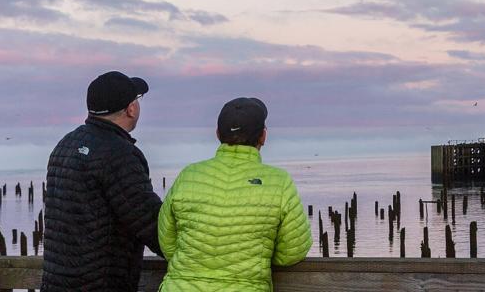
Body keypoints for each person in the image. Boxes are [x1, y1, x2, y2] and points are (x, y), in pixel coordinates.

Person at [157, 97, 312, 291]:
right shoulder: (279, 182)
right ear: (263, 136)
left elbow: (167, 242)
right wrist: (257, 257)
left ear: (217, 134)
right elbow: (292, 251)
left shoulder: (189, 175)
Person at [41, 71, 164, 291]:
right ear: (131, 109)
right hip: (98, 284)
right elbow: (151, 223)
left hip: (57, 282)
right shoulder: (119, 154)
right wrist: (201, 254)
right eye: (136, 100)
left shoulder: (65, 145)